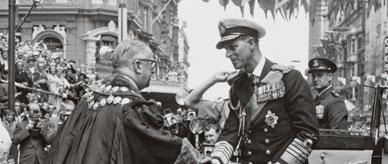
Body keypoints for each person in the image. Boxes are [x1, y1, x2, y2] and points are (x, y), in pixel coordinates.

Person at [44, 40, 199, 164]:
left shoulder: (89, 97)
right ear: (138, 65)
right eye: (151, 64)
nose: (153, 70)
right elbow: (166, 148)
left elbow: (63, 144)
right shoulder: (133, 107)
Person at [205, 19, 319, 164]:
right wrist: (216, 160)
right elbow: (231, 131)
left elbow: (308, 134)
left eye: (233, 47)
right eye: (226, 49)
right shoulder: (238, 85)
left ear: (251, 43)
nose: (227, 54)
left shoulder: (290, 78)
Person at [308, 57, 348, 130]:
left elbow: (338, 135)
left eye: (319, 75)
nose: (315, 79)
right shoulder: (317, 100)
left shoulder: (336, 102)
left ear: (329, 77)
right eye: (313, 76)